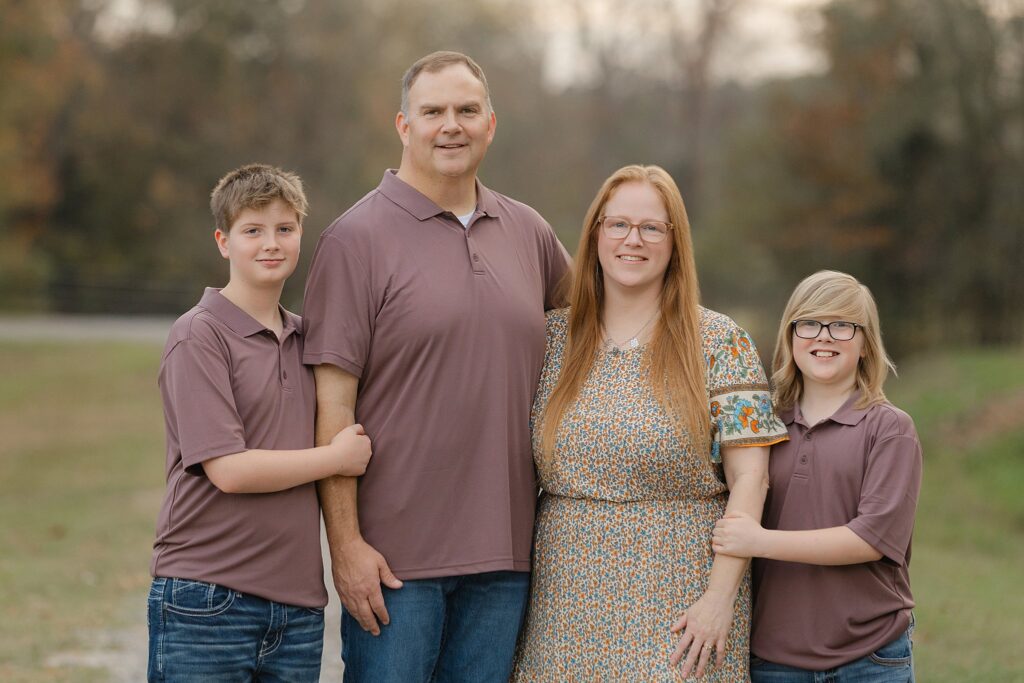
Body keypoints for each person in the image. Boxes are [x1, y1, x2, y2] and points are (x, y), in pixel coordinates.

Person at [301, 51, 571, 682]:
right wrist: (346, 546)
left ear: (491, 124)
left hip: (506, 557)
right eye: (434, 112)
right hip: (395, 564)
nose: (451, 125)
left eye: (467, 110)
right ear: (403, 125)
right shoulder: (354, 239)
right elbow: (331, 406)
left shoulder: (527, 230)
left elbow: (606, 326)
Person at [511, 164, 788, 682]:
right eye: (617, 225)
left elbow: (752, 479)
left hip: (682, 600)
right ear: (595, 236)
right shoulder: (550, 341)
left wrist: (719, 598)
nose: (631, 240)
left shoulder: (721, 342)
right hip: (563, 604)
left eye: (650, 227)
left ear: (675, 241)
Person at [147, 164, 373, 682]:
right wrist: (335, 460)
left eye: (284, 229)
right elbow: (228, 470)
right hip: (206, 598)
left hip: (296, 609)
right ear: (224, 242)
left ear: (300, 237)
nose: (270, 243)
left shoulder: (308, 341)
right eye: (253, 230)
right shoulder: (198, 337)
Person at [712, 270, 921, 682]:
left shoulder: (889, 428)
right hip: (774, 660)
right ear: (791, 336)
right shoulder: (761, 425)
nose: (823, 336)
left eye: (842, 325)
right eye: (809, 323)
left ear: (865, 344)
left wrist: (760, 541)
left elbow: (870, 540)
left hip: (871, 657)